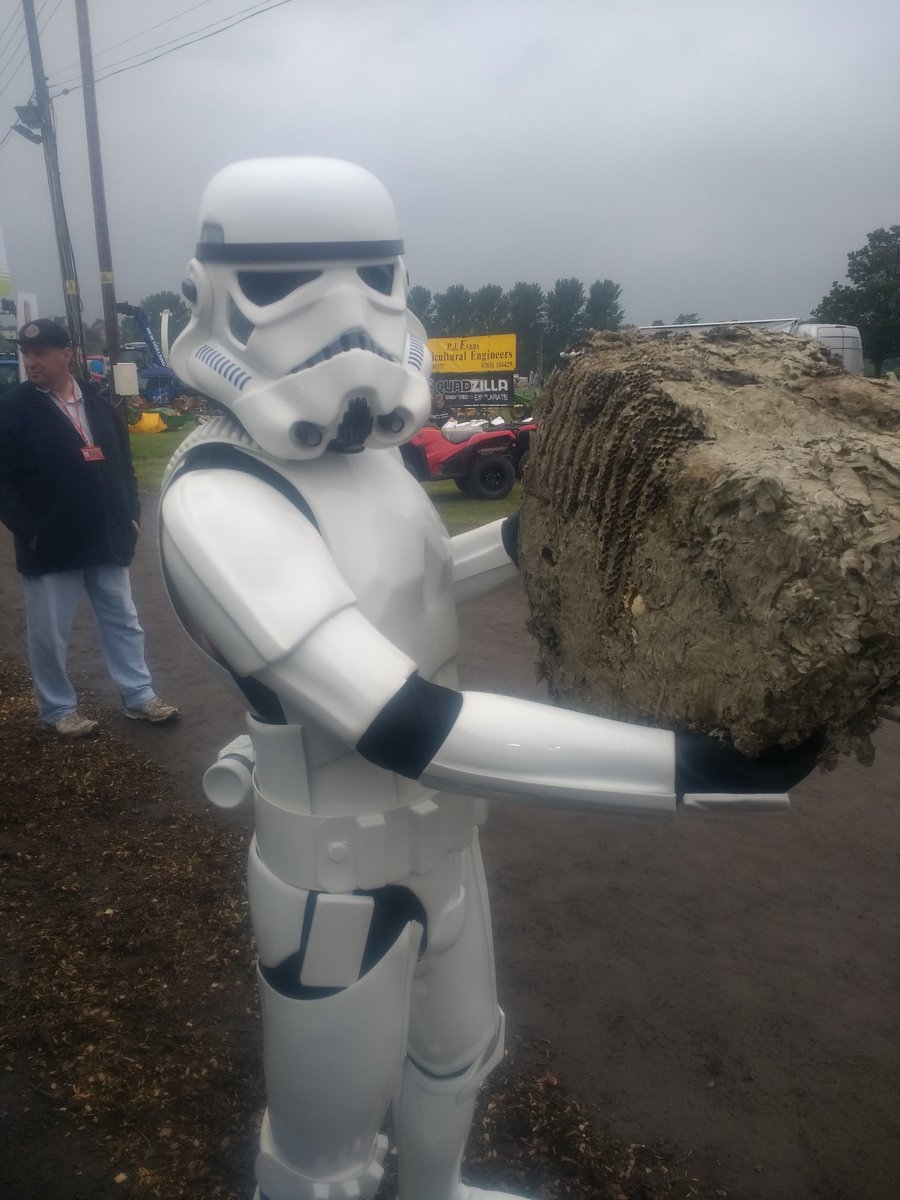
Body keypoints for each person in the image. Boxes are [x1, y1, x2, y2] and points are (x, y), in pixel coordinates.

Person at [160, 158, 818, 1200]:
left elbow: (413, 585)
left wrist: (538, 533)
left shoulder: (372, 466)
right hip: (337, 876)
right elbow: (407, 722)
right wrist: (698, 769)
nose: (348, 315)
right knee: (322, 1155)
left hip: (445, 845)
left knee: (459, 1057)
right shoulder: (219, 497)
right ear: (213, 294)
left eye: (373, 276)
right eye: (286, 283)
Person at [0, 318, 178, 737]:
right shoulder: (12, 408)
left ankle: (139, 696)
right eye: (27, 354)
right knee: (50, 634)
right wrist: (29, 529)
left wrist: (130, 514)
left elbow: (123, 466)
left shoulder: (99, 404)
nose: (31, 362)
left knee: (123, 620)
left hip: (106, 534)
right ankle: (59, 709)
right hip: (50, 542)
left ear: (67, 355)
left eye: (41, 353)